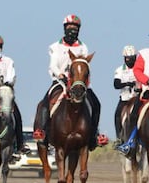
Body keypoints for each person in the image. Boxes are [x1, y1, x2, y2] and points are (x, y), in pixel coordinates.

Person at [32, 14, 104, 150]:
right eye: (70, 27)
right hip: (60, 82)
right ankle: (41, 131)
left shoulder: (83, 47)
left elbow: (85, 66)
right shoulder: (55, 46)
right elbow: (53, 65)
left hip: (79, 83)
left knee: (96, 103)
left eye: (75, 27)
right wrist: (60, 75)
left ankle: (94, 134)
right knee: (44, 104)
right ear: (64, 28)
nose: (73, 30)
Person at [115, 25, 149, 155]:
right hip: (147, 92)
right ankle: (130, 142)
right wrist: (148, 81)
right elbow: (137, 70)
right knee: (134, 114)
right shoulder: (145, 53)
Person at [112, 44, 139, 145]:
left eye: (132, 58)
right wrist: (127, 83)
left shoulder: (139, 68)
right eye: (128, 58)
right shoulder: (120, 70)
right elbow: (116, 84)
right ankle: (119, 137)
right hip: (125, 98)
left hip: (137, 97)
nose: (130, 60)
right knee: (117, 115)